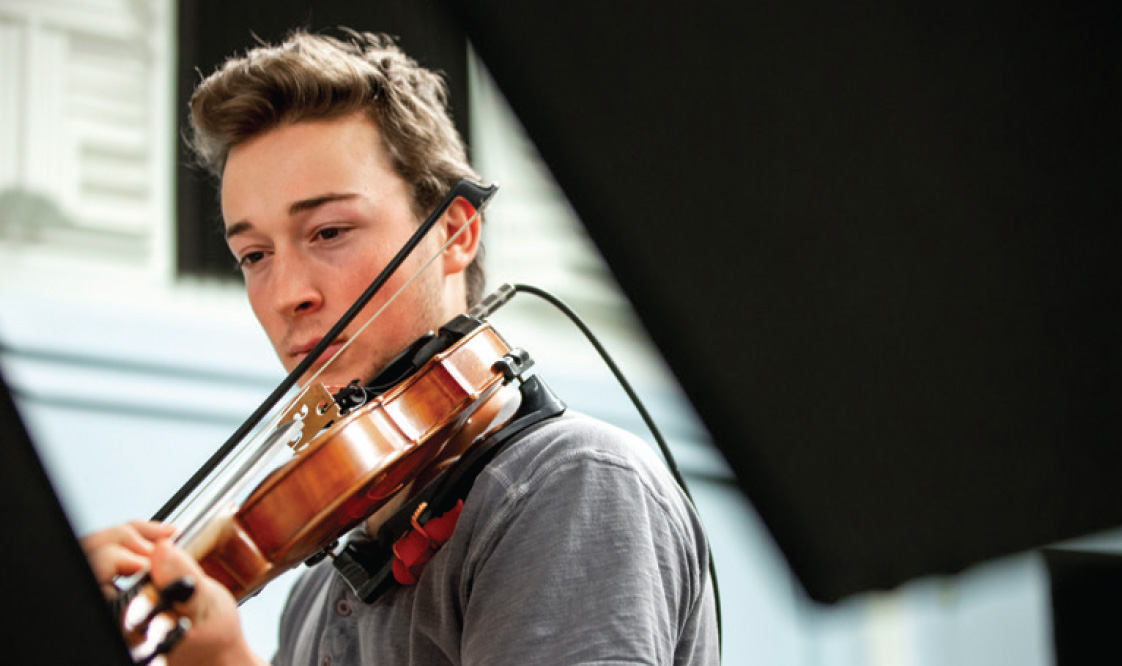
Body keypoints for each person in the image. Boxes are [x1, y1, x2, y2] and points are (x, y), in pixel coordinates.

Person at [81, 29, 719, 665]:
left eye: (329, 231)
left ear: (455, 233)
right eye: (254, 255)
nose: (285, 294)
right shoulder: (318, 591)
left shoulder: (570, 486)